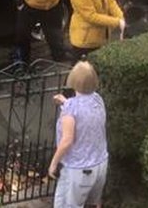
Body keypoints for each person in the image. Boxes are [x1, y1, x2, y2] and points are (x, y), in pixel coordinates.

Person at [48, 61, 109, 208]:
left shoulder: (71, 108)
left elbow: (67, 140)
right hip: (100, 164)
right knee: (93, 204)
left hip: (79, 170)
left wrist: (53, 164)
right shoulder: (98, 99)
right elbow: (84, 111)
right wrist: (65, 102)